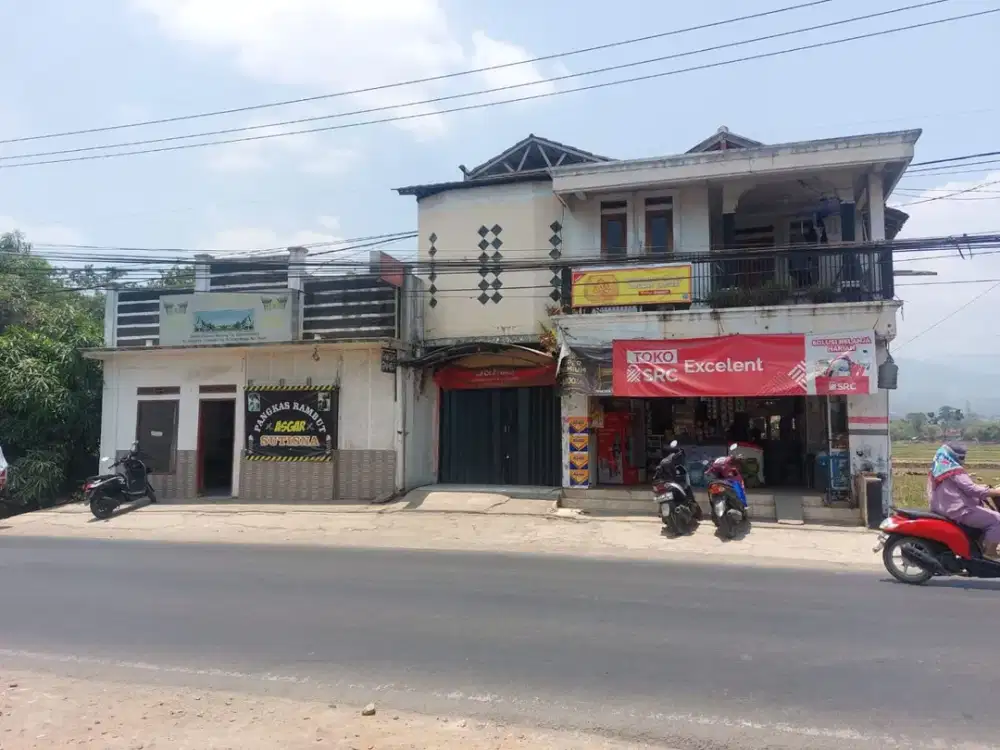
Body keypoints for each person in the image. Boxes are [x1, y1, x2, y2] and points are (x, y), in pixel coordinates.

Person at [928, 442, 1000, 559]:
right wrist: (996, 492)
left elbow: (961, 487)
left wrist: (985, 488)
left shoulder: (940, 468)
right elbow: (971, 490)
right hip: (959, 510)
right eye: (961, 456)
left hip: (943, 508)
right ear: (954, 455)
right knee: (997, 519)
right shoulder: (954, 470)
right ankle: (990, 552)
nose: (963, 459)